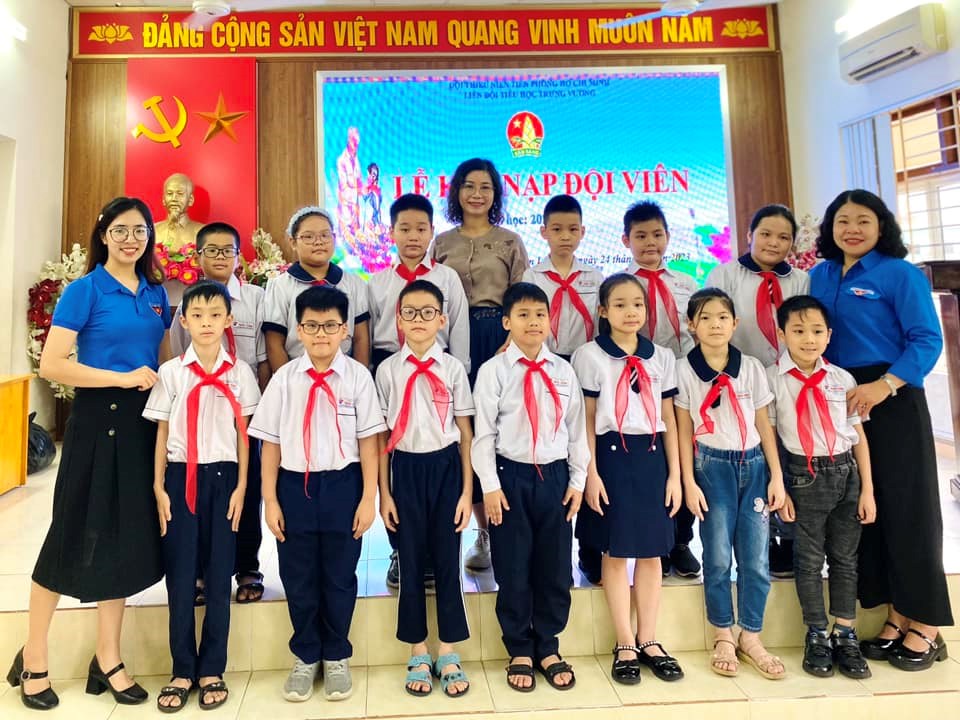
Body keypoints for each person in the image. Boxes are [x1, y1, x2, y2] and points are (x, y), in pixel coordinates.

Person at [7, 197, 171, 710]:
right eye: (120, 230)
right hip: (98, 421)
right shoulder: (85, 290)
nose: (130, 239)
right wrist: (119, 379)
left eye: (139, 230)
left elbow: (162, 363)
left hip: (142, 426)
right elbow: (54, 364)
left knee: (122, 538)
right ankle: (34, 655)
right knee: (71, 534)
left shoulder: (155, 293)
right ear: (103, 235)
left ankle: (108, 657)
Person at [809, 188, 952, 671]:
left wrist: (884, 385)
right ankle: (895, 615)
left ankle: (926, 624)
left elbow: (926, 339)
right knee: (866, 510)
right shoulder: (820, 274)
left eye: (863, 221)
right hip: (841, 399)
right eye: (842, 221)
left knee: (910, 508)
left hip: (892, 397)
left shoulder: (899, 273)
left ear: (881, 226)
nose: (852, 229)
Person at [249, 286, 385, 702]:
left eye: (330, 326)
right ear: (298, 330)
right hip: (295, 486)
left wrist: (368, 498)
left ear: (345, 330)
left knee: (340, 575)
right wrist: (271, 500)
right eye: (312, 326)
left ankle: (337, 653)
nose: (321, 334)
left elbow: (369, 442)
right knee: (298, 574)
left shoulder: (358, 377)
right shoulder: (285, 379)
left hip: (344, 485)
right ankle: (306, 654)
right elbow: (270, 443)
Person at [144, 280, 261, 711]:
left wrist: (242, 487)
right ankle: (181, 668)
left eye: (215, 315)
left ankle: (212, 667)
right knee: (180, 574)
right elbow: (161, 433)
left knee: (219, 572)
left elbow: (244, 436)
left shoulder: (240, 372)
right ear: (184, 321)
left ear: (229, 320)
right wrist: (158, 487)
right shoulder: (172, 373)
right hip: (180, 476)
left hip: (225, 477)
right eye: (197, 315)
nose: (207, 323)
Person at [472, 282, 587, 692]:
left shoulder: (563, 371)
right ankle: (519, 646)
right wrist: (490, 486)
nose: (533, 322)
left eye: (540, 314)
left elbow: (577, 430)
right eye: (523, 315)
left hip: (554, 478)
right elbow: (483, 434)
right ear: (506, 322)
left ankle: (549, 645)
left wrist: (578, 480)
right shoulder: (494, 371)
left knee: (555, 566)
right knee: (513, 564)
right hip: (510, 478)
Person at [571, 273, 684, 685]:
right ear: (603, 310)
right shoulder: (589, 356)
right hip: (610, 458)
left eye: (637, 304)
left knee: (652, 553)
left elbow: (669, 417)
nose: (630, 312)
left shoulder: (662, 357)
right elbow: (585, 419)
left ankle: (649, 639)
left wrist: (675, 476)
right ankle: (624, 642)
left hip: (652, 457)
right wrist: (590, 473)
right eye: (619, 304)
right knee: (615, 552)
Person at [674, 288, 790, 680]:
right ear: (691, 325)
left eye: (723, 317)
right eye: (705, 318)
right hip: (711, 468)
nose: (715, 324)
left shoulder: (752, 367)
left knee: (756, 559)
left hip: (754, 466)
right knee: (718, 556)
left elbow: (763, 423)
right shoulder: (684, 370)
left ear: (735, 323)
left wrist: (776, 476)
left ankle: (751, 634)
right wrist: (689, 482)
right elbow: (683, 429)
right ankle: (723, 632)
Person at [765, 295, 875, 679]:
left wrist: (867, 489)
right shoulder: (772, 379)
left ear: (828, 335)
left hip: (847, 473)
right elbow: (771, 437)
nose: (808, 339)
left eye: (816, 331)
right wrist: (780, 485)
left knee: (845, 558)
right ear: (782, 334)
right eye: (798, 331)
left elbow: (858, 437)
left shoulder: (842, 379)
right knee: (808, 561)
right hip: (803, 475)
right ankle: (816, 634)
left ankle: (845, 632)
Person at [375, 280, 474, 698]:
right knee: (410, 559)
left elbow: (465, 433)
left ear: (442, 319)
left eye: (427, 312)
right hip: (405, 468)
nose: (419, 320)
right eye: (410, 312)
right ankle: (417, 648)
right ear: (398, 320)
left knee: (448, 560)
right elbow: (381, 437)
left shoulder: (453, 369)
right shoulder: (387, 370)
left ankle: (448, 648)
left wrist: (467, 491)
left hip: (447, 467)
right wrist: (385, 494)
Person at [431, 157, 530, 573]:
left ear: (496, 194)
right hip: (453, 339)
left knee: (499, 427)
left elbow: (523, 297)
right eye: (468, 186)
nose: (476, 194)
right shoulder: (441, 242)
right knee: (463, 432)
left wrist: (512, 341)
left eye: (485, 187)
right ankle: (479, 532)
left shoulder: (510, 241)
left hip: (500, 336)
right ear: (456, 192)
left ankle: (505, 530)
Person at [368, 193, 470, 588]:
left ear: (432, 232)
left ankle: (438, 554)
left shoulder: (447, 278)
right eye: (404, 229)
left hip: (439, 371)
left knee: (437, 456)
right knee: (398, 464)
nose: (413, 236)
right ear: (391, 232)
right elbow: (369, 332)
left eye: (421, 229)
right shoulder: (378, 282)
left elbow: (458, 327)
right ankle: (400, 550)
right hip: (391, 368)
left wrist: (460, 371)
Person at [706, 204, 810, 578]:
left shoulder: (800, 280)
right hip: (741, 382)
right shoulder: (725, 274)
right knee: (754, 461)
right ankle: (760, 540)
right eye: (765, 234)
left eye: (783, 237)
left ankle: (791, 537)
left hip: (789, 380)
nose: (773, 242)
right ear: (749, 235)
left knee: (790, 456)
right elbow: (713, 324)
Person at [170, 222, 270, 604]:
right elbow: (178, 355)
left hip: (243, 411)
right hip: (199, 412)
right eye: (211, 250)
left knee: (248, 489)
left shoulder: (256, 298)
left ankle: (248, 568)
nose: (220, 257)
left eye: (228, 250)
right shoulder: (188, 304)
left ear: (238, 256)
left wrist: (262, 414)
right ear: (198, 256)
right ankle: (201, 572)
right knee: (199, 492)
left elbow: (262, 358)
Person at [620, 200, 700, 580]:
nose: (650, 242)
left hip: (681, 381)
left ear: (668, 236)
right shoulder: (618, 285)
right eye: (640, 236)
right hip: (635, 384)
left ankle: (680, 541)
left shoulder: (686, 284)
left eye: (656, 234)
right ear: (626, 240)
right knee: (650, 464)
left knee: (682, 459)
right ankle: (655, 544)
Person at [263, 207, 370, 371]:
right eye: (308, 237)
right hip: (297, 371)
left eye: (325, 235)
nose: (318, 242)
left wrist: (359, 376)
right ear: (293, 242)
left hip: (343, 372)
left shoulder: (354, 283)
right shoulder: (280, 286)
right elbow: (274, 343)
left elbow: (361, 338)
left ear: (334, 238)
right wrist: (287, 380)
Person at [522, 194, 602, 361]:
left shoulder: (595, 277)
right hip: (544, 358)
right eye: (557, 229)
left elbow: (601, 321)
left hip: (588, 358)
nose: (565, 236)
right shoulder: (532, 277)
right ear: (544, 232)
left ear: (582, 232)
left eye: (573, 229)